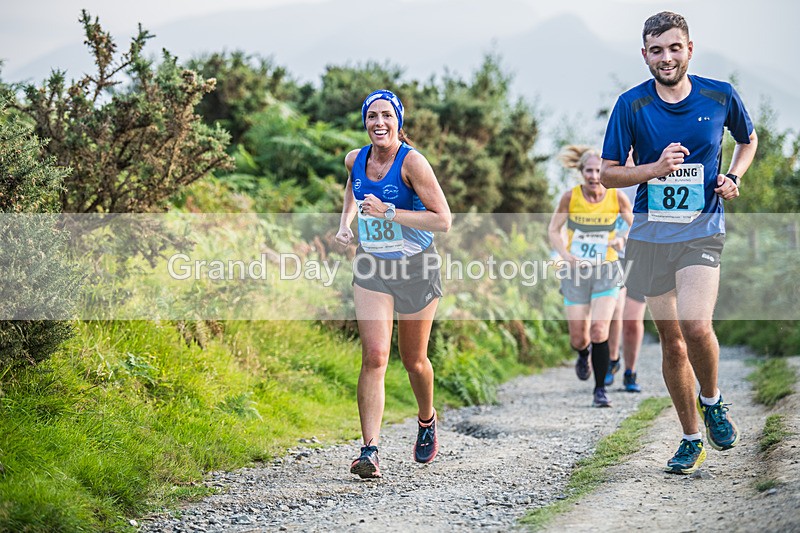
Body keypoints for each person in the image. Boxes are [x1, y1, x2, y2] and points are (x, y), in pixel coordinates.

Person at [600, 11, 757, 474]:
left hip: (702, 229)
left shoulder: (720, 94)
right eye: (656, 50)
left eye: (673, 47)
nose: (665, 57)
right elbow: (609, 173)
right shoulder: (631, 105)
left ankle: (712, 400)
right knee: (671, 341)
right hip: (650, 234)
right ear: (644, 55)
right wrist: (653, 169)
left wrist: (733, 176)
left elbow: (748, 141)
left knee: (695, 326)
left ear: (689, 49)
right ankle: (691, 437)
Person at [335, 89, 452, 479]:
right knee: (375, 356)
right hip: (372, 265)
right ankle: (369, 451)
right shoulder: (356, 158)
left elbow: (443, 220)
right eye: (372, 116)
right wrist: (345, 224)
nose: (379, 123)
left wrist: (390, 211)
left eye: (387, 116)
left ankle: (426, 419)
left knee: (414, 360)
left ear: (399, 121)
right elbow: (353, 188)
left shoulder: (413, 163)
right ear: (365, 121)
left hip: (417, 267)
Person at [548, 145, 633, 408]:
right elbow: (553, 230)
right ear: (581, 172)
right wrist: (565, 254)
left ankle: (599, 390)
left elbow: (635, 225)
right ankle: (583, 354)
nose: (594, 176)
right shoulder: (569, 198)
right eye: (589, 171)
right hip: (576, 272)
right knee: (579, 337)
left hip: (607, 269)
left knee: (599, 329)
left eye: (598, 170)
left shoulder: (616, 197)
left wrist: (622, 239)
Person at [606, 185, 646, 393]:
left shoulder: (653, 164)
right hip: (613, 258)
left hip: (640, 257)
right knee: (613, 312)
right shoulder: (610, 169)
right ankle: (612, 359)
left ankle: (630, 372)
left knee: (631, 321)